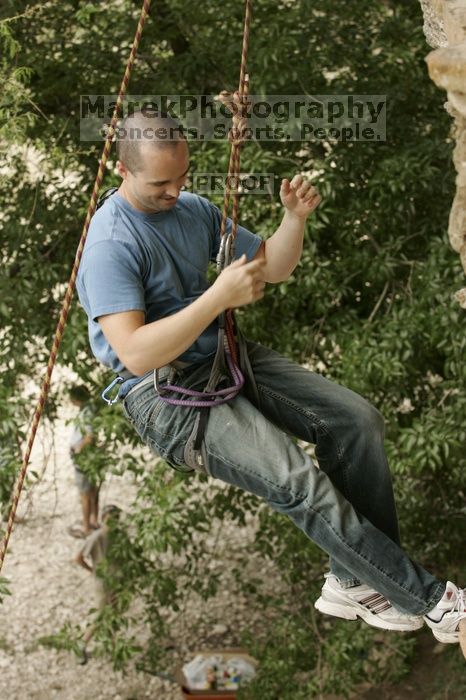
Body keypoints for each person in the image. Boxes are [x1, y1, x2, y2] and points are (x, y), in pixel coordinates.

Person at [76, 110, 465, 645]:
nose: (174, 191)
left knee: (355, 421)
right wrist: (217, 297)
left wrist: (294, 220)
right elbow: (137, 354)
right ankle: (434, 603)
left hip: (222, 356)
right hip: (164, 394)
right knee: (296, 481)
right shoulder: (109, 246)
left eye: (182, 177)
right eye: (160, 183)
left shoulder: (194, 211)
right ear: (121, 168)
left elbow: (273, 267)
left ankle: (353, 579)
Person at [74, 503, 121, 663]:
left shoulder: (119, 536)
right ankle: (81, 644)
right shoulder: (97, 537)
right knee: (101, 615)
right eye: (110, 518)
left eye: (116, 518)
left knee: (114, 614)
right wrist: (92, 570)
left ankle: (113, 647)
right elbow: (78, 558)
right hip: (102, 582)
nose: (113, 521)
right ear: (103, 519)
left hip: (116, 581)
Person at [68, 385, 100, 538]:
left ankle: (86, 527)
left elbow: (89, 436)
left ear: (76, 399)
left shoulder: (87, 412)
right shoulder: (90, 408)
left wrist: (78, 449)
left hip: (84, 458)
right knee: (92, 490)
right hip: (90, 457)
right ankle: (94, 521)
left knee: (85, 494)